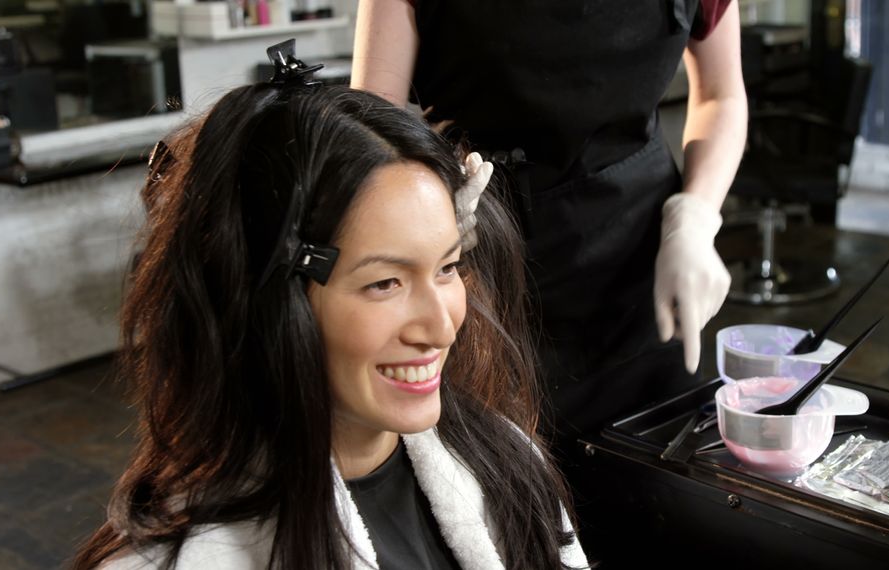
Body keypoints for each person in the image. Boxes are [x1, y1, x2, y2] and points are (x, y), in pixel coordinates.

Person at [73, 42, 587, 570]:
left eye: (447, 266)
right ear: (263, 297)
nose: (441, 326)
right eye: (385, 282)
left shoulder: (505, 461)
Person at [350, 1, 748, 444]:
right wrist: (433, 210)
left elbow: (721, 95)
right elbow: (370, 132)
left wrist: (694, 215)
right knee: (497, 485)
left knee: (654, 485)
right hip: (481, 268)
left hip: (643, 272)